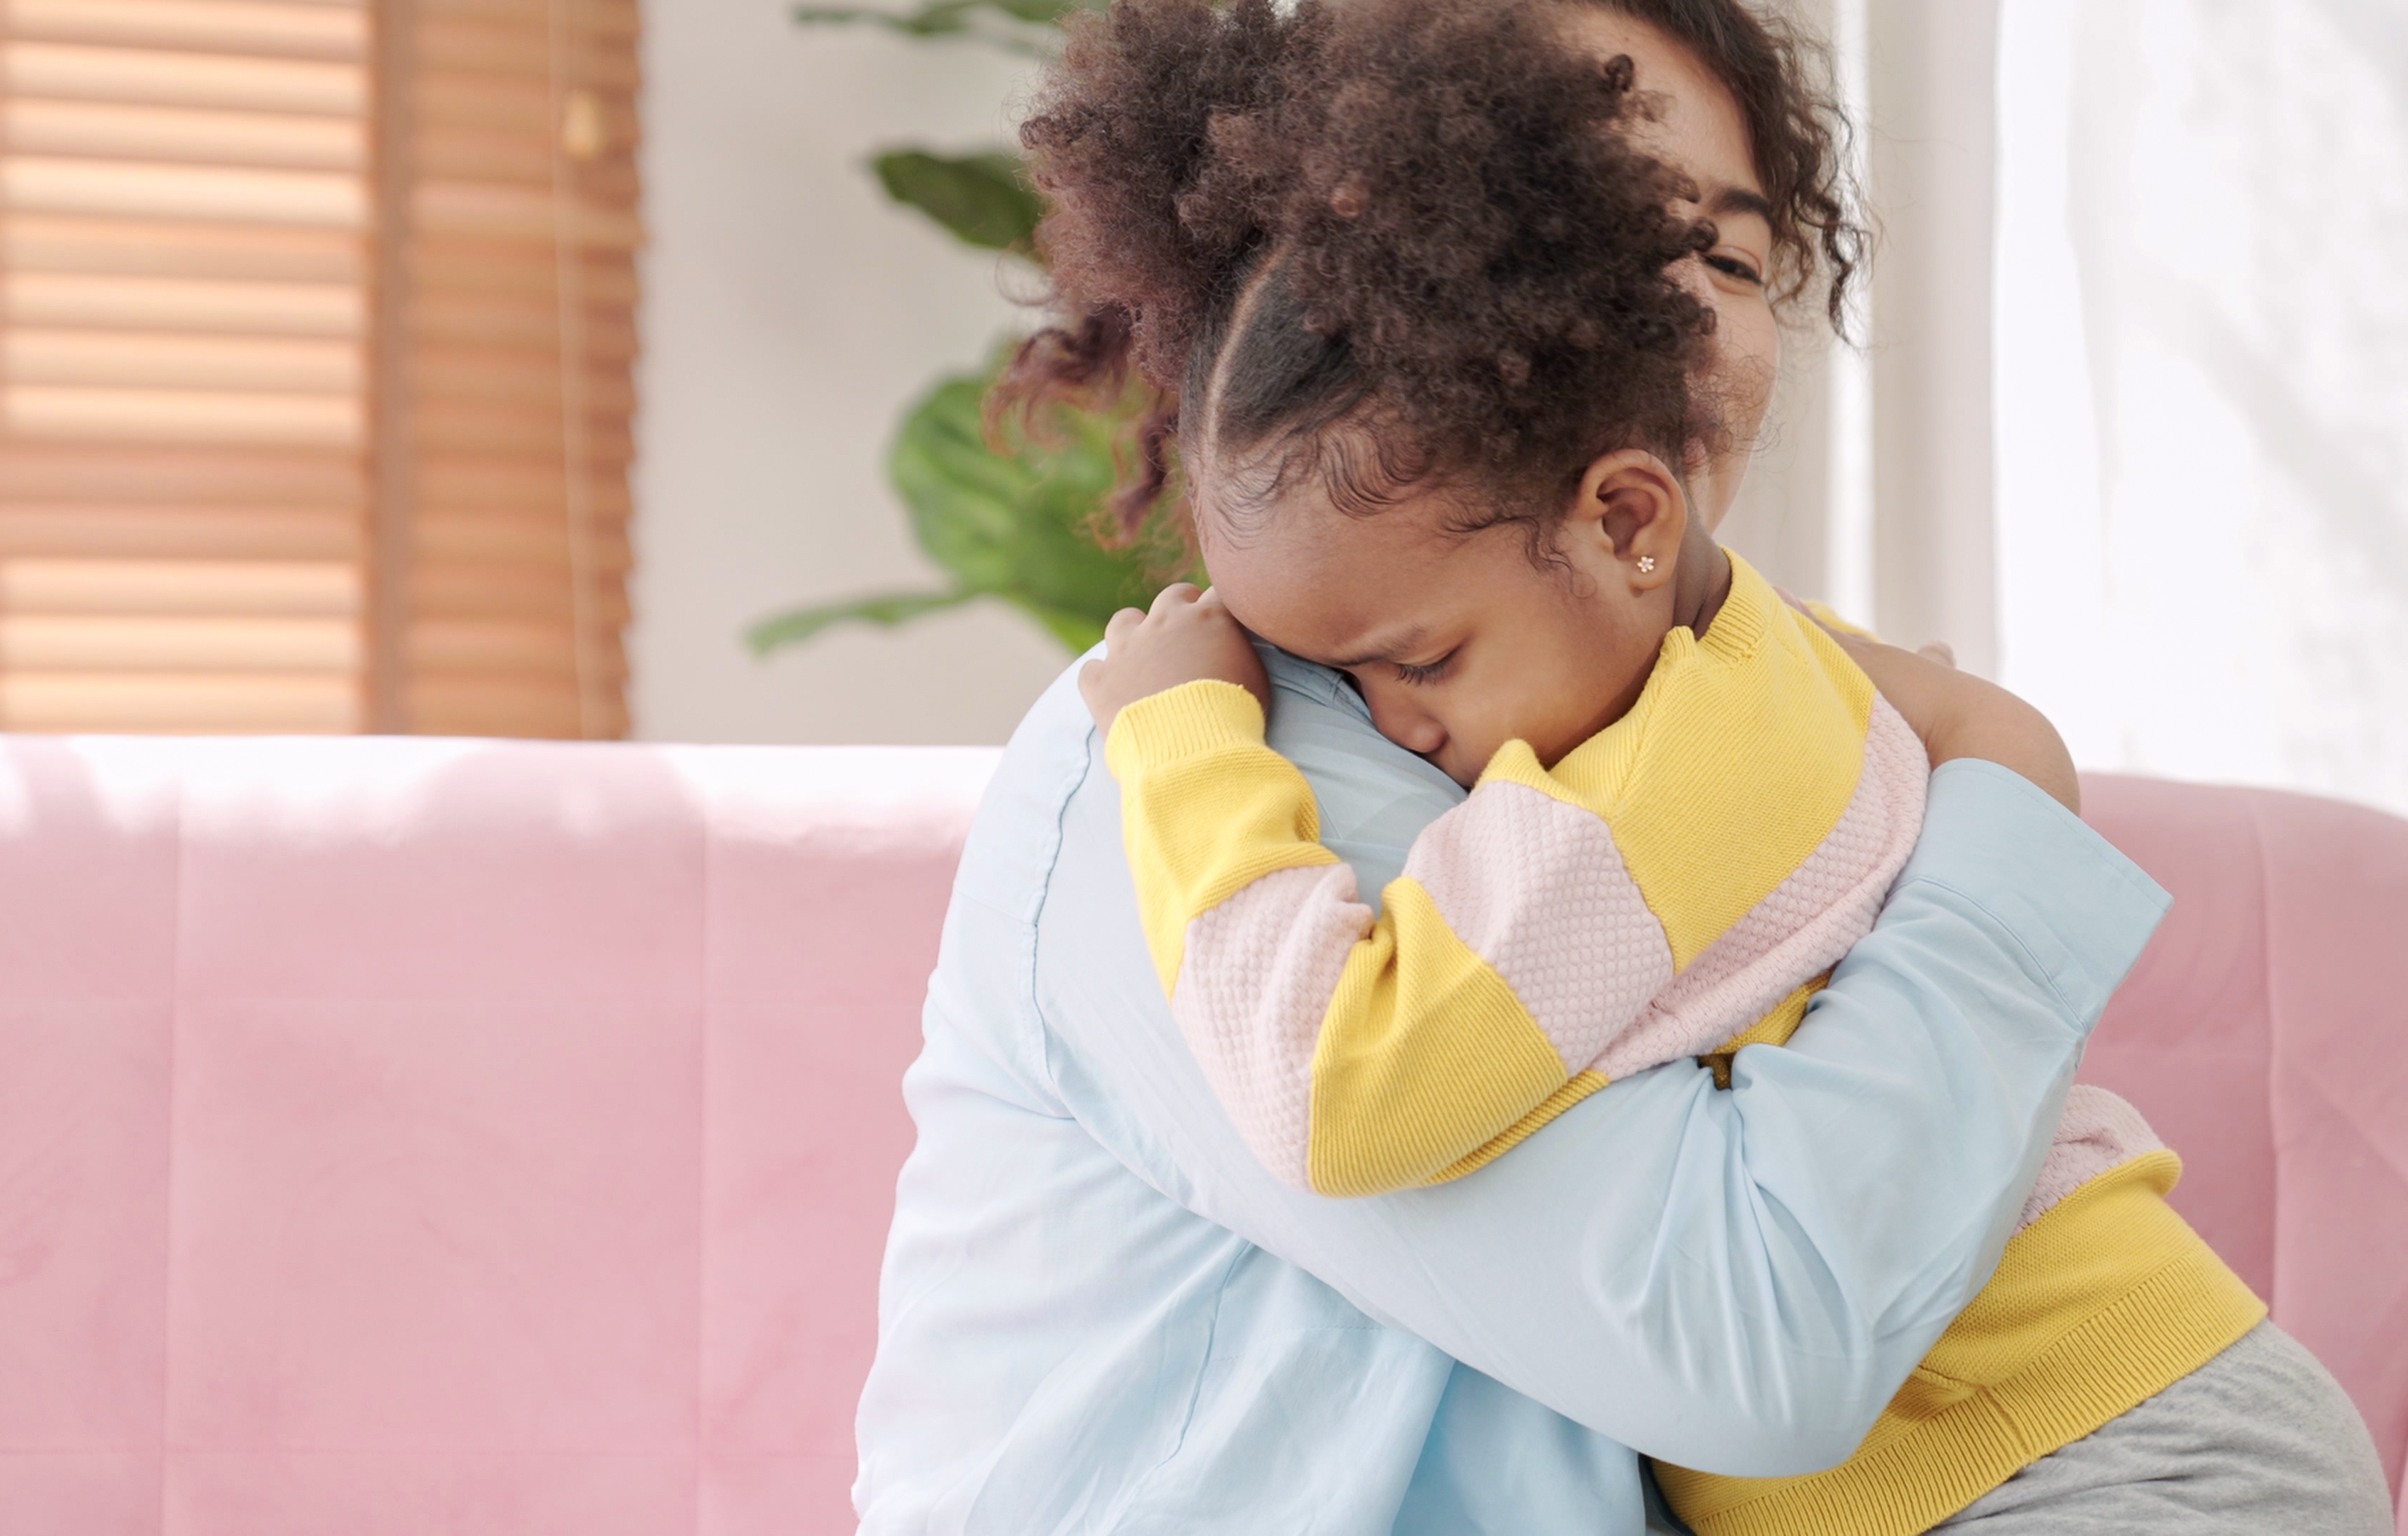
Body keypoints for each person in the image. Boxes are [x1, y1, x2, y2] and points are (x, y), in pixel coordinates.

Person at [852, 1, 2392, 1532]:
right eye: (1571, 240)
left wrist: (1998, 765)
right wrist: (2004, 797)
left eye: (1724, 256)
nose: (1680, 325)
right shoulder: (1229, 767)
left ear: (1627, 518)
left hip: (2089, 1451)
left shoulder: (1675, 720)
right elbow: (1753, 1337)